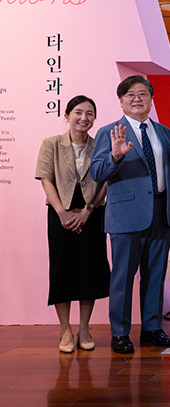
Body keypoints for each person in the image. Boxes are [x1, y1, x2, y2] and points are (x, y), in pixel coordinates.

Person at [90, 75, 170, 354]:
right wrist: (115, 157)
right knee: (123, 276)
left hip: (161, 211)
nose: (137, 99)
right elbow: (97, 172)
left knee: (156, 274)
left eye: (143, 94)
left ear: (151, 99)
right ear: (121, 101)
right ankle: (120, 333)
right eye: (130, 94)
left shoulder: (164, 132)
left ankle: (152, 329)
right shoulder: (109, 131)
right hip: (126, 215)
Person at [36, 95, 110, 353]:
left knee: (90, 270)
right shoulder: (51, 144)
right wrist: (63, 213)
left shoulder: (99, 144)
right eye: (78, 112)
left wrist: (87, 211)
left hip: (92, 214)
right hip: (60, 215)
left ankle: (85, 328)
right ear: (66, 115)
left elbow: (105, 181)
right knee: (62, 270)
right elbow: (46, 179)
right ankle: (65, 330)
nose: (84, 118)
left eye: (90, 113)